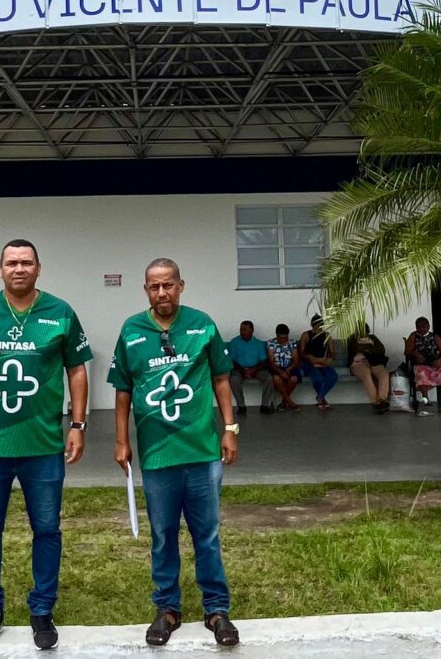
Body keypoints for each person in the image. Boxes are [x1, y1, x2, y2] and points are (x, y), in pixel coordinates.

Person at [0, 239, 92, 654]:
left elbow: (77, 371)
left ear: (38, 269)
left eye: (26, 262)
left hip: (42, 446)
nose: (19, 268)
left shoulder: (60, 313)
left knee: (47, 529)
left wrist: (78, 424)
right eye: (11, 262)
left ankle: (42, 611)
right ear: (0, 269)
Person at [110, 257, 241, 648]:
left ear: (181, 286)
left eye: (168, 285)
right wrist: (121, 440)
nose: (162, 292)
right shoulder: (131, 330)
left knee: (207, 534)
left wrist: (230, 428)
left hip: (201, 451)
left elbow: (221, 379)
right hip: (157, 455)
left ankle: (216, 609)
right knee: (163, 535)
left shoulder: (202, 325)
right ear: (145, 290)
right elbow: (122, 390)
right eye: (154, 286)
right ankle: (167, 608)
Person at [405, 317, 441, 406]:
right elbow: (407, 352)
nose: (421, 329)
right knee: (420, 371)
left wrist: (439, 361)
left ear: (428, 326)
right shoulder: (413, 336)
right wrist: (415, 354)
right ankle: (425, 398)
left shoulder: (435, 337)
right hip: (421, 363)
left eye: (423, 327)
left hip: (434, 362)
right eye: (418, 327)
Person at [228, 320, 278, 414]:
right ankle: (241, 406)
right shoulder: (234, 342)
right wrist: (243, 371)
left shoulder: (258, 343)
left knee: (269, 378)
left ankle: (265, 405)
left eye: (245, 330)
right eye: (241, 329)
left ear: (252, 330)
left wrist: (253, 370)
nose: (242, 332)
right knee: (234, 380)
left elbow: (263, 361)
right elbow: (232, 360)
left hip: (257, 368)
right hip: (239, 369)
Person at [348, 324, 390, 414]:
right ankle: (376, 403)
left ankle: (382, 399)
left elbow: (381, 349)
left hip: (374, 362)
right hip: (358, 363)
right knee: (366, 375)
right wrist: (370, 347)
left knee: (384, 374)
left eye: (365, 331)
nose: (363, 333)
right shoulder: (352, 338)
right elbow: (355, 348)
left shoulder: (372, 337)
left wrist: (367, 350)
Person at [298, 314, 338, 410]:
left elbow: (332, 353)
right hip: (309, 362)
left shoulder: (327, 335)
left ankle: (320, 397)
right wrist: (310, 357)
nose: (318, 327)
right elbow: (301, 353)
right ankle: (322, 399)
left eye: (320, 324)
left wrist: (328, 359)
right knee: (317, 378)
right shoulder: (306, 335)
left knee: (333, 376)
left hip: (322, 362)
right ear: (312, 324)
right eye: (316, 324)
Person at [267, 324, 302, 411]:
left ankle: (283, 402)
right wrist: (281, 372)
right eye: (281, 338)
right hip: (276, 367)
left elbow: (296, 359)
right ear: (277, 335)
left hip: (290, 366)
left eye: (285, 338)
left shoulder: (292, 342)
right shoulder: (271, 343)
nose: (283, 340)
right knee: (276, 379)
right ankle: (290, 403)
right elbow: (271, 362)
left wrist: (289, 369)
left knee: (294, 379)